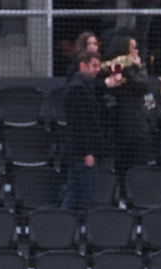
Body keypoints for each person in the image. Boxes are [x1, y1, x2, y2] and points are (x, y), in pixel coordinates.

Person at [61, 50, 109, 213]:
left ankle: (64, 226)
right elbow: (79, 124)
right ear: (83, 65)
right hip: (81, 152)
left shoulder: (83, 87)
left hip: (77, 151)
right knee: (85, 195)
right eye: (94, 66)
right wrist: (87, 152)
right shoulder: (78, 89)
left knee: (74, 192)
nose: (97, 69)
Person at [101, 38, 152, 185]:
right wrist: (138, 66)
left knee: (138, 163)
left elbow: (144, 87)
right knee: (123, 162)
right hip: (123, 123)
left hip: (137, 124)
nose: (136, 52)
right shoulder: (117, 67)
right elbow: (142, 84)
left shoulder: (132, 69)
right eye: (133, 48)